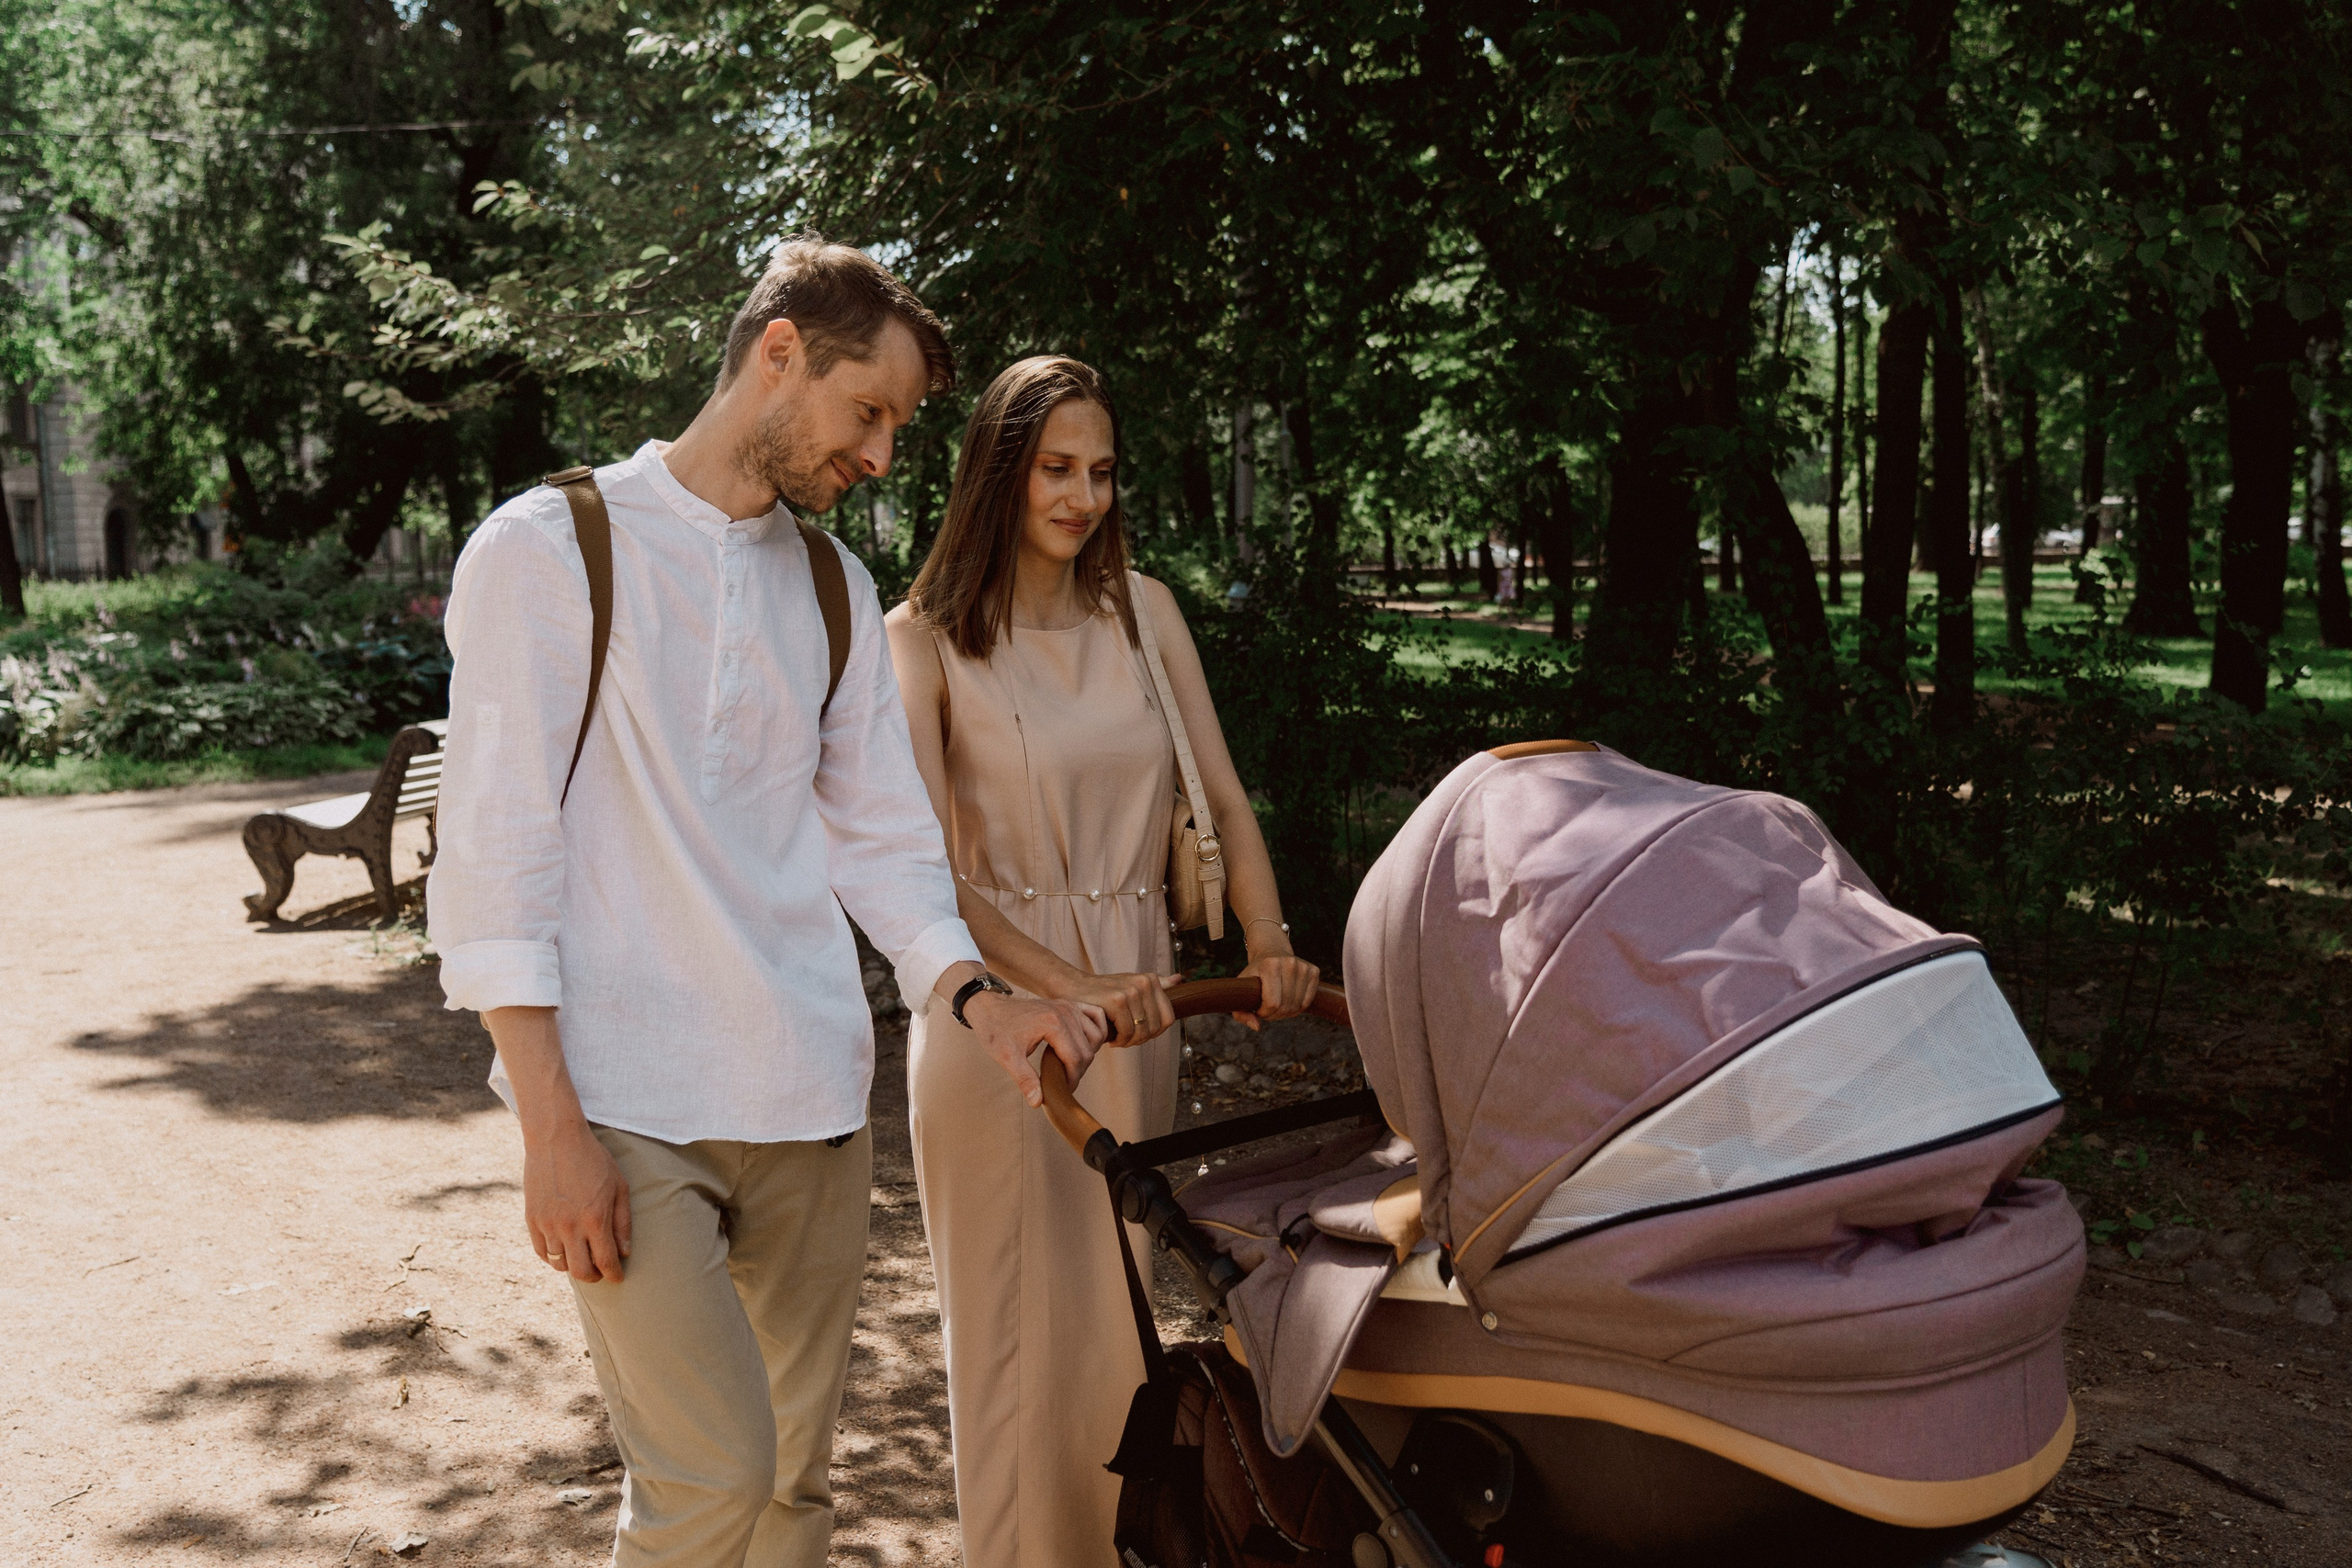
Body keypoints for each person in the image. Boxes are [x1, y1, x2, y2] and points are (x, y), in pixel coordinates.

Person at [426, 240, 1103, 1568]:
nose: (884, 455)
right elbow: (495, 854)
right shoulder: (551, 550)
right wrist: (548, 1126)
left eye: (900, 426)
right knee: (711, 1482)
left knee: (793, 1492)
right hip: (628, 1106)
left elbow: (887, 849)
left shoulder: (838, 594)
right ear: (780, 352)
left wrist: (983, 1002)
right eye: (871, 413)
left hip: (808, 1098)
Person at [885, 355, 1322, 1567]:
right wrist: (1065, 988)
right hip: (1001, 1019)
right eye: (1055, 470)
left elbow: (1227, 808)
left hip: (1140, 1004)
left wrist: (1271, 943)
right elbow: (932, 880)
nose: (1081, 497)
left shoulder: (1148, 612)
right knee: (1014, 1342)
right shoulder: (917, 642)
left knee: (1114, 1321)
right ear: (997, 476)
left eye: (1101, 472)